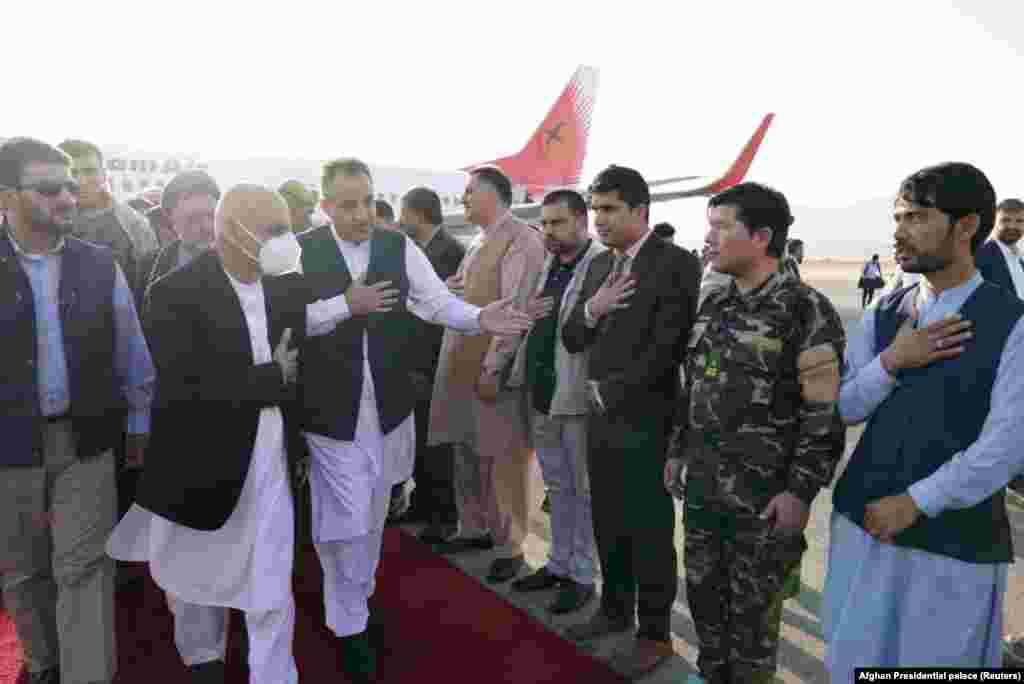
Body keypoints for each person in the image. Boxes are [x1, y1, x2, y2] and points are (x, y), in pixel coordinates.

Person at [295, 158, 545, 682]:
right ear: (325, 207)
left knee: (370, 514)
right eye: (348, 204)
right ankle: (349, 622)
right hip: (328, 414)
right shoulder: (301, 251)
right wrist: (344, 305)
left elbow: (434, 304)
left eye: (367, 200)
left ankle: (355, 599)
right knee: (339, 520)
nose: (362, 213)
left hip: (386, 411)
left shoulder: (398, 247)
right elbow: (290, 321)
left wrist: (480, 318)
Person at [824, 162, 1024, 680]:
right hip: (862, 523)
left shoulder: (1012, 322)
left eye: (916, 217)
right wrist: (893, 361)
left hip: (951, 545)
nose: (899, 231)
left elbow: (1006, 445)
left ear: (966, 226)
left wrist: (917, 501)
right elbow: (845, 408)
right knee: (853, 662)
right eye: (897, 217)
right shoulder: (886, 310)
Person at [664, 182, 846, 684]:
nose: (709, 238)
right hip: (705, 491)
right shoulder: (715, 305)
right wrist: (678, 451)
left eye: (722, 227)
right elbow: (694, 386)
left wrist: (800, 491)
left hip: (763, 502)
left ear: (762, 236)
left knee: (752, 627)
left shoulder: (805, 310)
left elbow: (823, 413)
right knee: (704, 604)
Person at [0, 137, 154, 684]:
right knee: (22, 573)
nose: (68, 197)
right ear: (8, 197)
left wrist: (139, 421)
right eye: (49, 189)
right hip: (8, 448)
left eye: (70, 185)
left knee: (84, 569)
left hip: (86, 441)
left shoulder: (99, 263)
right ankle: (45, 665)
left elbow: (131, 349)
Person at [561, 165, 701, 679]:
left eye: (609, 210)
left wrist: (610, 389)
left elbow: (669, 346)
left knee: (649, 527)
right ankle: (614, 609)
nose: (598, 220)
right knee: (608, 520)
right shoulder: (598, 267)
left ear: (640, 211)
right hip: (601, 421)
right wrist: (592, 312)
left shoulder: (675, 265)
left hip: (649, 418)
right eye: (595, 209)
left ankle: (655, 632)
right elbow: (573, 337)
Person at [428, 165, 548, 585]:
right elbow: (470, 292)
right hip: (463, 364)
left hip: (490, 369)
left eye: (468, 191)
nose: (461, 199)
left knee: (503, 459)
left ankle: (511, 544)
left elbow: (516, 311)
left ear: (495, 195)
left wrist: (495, 366)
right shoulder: (480, 239)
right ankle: (476, 528)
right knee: (469, 454)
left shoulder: (521, 239)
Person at [506, 189, 604, 613]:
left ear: (582, 221)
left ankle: (582, 574)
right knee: (558, 487)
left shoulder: (600, 262)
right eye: (544, 223)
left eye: (558, 222)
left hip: (576, 397)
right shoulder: (550, 262)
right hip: (542, 391)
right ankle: (559, 563)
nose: (549, 231)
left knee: (582, 491)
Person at [390, 186, 467, 542]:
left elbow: (443, 309)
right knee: (420, 440)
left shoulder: (449, 250)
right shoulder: (422, 250)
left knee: (438, 445)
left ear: (418, 214)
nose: (400, 220)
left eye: (403, 213)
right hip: (416, 363)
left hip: (435, 361)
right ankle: (423, 503)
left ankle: (444, 515)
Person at [57, 139, 158, 279]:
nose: (81, 180)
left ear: (104, 174)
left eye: (89, 171)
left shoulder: (134, 224)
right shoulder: (39, 219)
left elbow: (145, 284)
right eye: (72, 173)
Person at [134, 170, 221, 314]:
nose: (207, 226)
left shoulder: (241, 263)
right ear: (169, 217)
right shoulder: (149, 268)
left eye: (212, 216)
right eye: (194, 218)